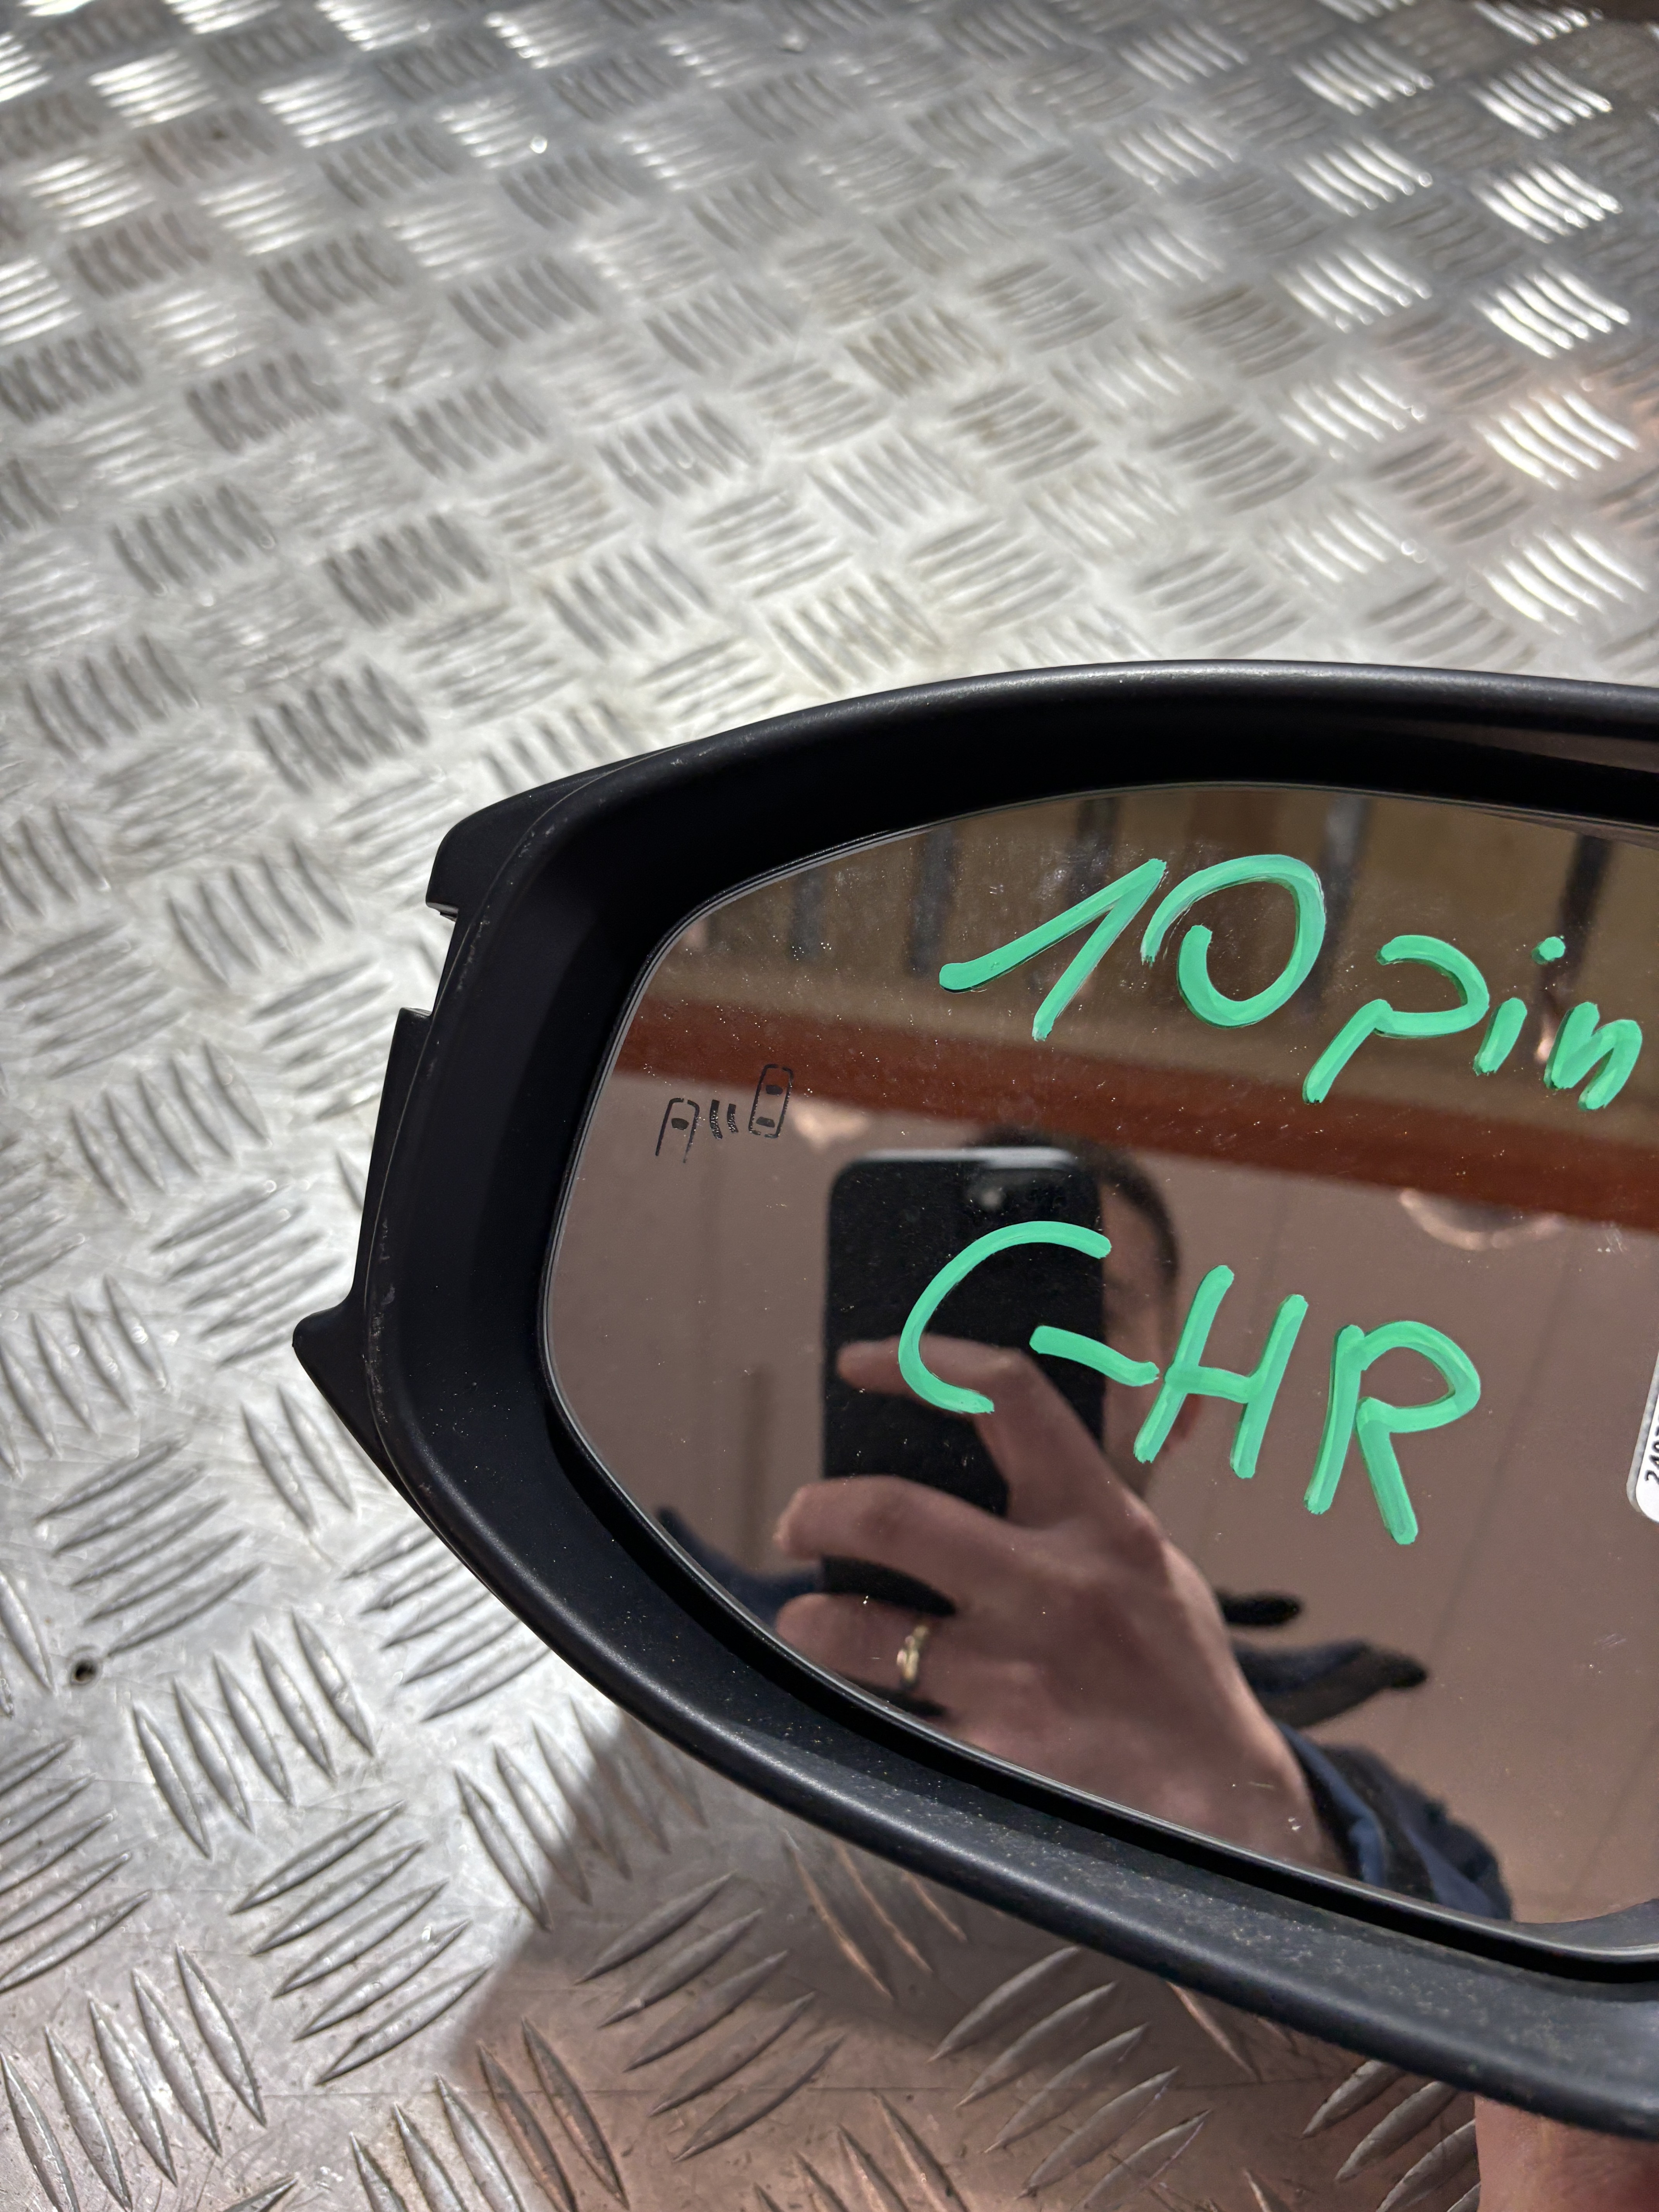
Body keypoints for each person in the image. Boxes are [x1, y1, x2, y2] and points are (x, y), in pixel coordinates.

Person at [767, 1130, 1508, 1913]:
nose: (1005, 1365)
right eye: (955, 1310)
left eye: (1079, 1313)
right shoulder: (694, 1627)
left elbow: (1479, 1980)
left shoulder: (1405, 1828)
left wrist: (1268, 1818)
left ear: (1177, 1407)